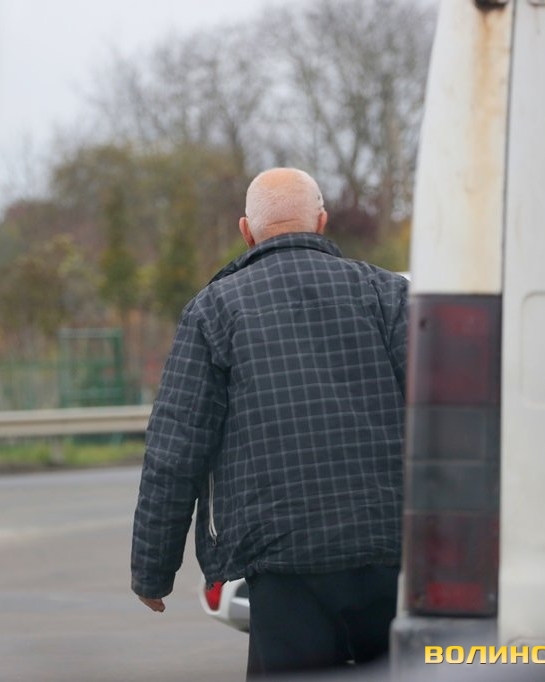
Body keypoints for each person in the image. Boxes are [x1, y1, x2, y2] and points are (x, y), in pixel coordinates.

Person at [131, 167, 408, 678]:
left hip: (280, 562)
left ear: (246, 231)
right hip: (387, 546)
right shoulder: (388, 294)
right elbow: (444, 420)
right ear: (321, 221)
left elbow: (175, 449)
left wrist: (153, 570)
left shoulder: (213, 310)